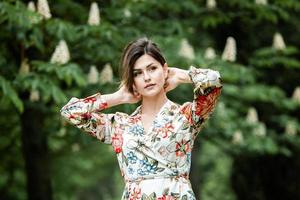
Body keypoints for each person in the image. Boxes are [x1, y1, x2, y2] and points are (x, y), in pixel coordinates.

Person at [60, 37, 223, 200]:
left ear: (165, 70)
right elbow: (71, 112)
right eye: (137, 73)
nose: (146, 77)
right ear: (133, 81)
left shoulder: (186, 116)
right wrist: (119, 96)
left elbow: (213, 80)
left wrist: (181, 76)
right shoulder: (120, 126)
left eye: (152, 68)